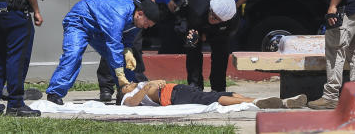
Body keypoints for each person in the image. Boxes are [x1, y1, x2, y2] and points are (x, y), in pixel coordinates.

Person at [46, 0, 160, 105]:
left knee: (123, 59)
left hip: (99, 28)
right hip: (79, 20)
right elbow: (114, 44)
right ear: (140, 14)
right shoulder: (119, 13)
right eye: (146, 23)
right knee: (73, 54)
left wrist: (128, 52)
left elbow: (126, 41)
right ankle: (55, 93)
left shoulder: (137, 22)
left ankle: (126, 93)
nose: (146, 27)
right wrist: (120, 74)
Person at [177, 0, 239, 92]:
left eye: (216, 18)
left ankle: (218, 87)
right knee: (192, 47)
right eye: (211, 13)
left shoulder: (232, 20)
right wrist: (194, 35)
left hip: (219, 30)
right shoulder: (196, 9)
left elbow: (227, 35)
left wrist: (210, 34)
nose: (211, 18)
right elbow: (181, 23)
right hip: (197, 18)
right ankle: (195, 85)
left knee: (221, 53)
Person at [120, 78, 307, 109]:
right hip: (171, 97)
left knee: (225, 92)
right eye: (125, 85)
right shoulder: (128, 97)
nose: (128, 83)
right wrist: (146, 87)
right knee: (213, 98)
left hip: (178, 89)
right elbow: (131, 105)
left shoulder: (139, 83)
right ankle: (259, 101)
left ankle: (281, 100)